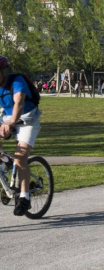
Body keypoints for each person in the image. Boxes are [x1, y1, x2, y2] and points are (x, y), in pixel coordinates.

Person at [0, 55, 42, 216]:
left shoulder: (16, 81)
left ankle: (24, 197)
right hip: (7, 118)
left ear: (4, 71)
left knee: (20, 158)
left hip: (28, 120)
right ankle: (3, 160)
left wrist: (10, 123)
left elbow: (19, 103)